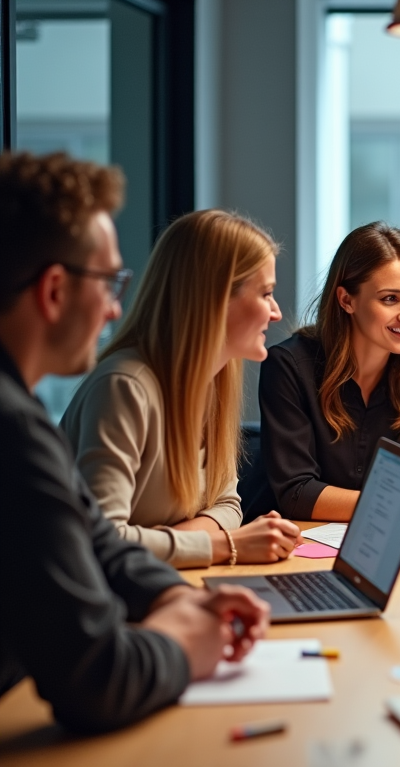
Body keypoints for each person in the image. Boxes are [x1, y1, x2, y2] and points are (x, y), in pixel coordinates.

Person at [0, 150, 268, 732]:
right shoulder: (16, 432)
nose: (117, 306)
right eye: (109, 281)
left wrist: (174, 598)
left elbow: (97, 538)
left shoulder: (22, 413)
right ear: (52, 291)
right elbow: (98, 678)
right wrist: (186, 640)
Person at [61, 210, 301, 569]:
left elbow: (227, 504)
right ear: (215, 299)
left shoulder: (213, 378)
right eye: (266, 293)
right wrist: (225, 546)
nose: (276, 312)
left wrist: (175, 543)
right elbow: (102, 541)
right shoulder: (124, 388)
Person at [259, 221, 400, 523]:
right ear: (346, 300)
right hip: (302, 547)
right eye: (390, 298)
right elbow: (296, 493)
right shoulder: (288, 366)